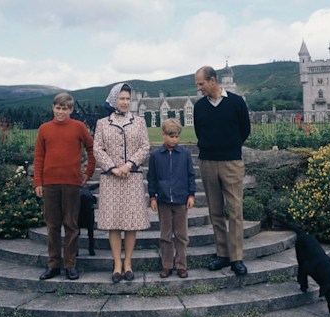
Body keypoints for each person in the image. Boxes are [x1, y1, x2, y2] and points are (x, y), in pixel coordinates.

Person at [193, 65, 251, 276]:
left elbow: (245, 130)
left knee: (235, 210)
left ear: (213, 80)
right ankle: (222, 254)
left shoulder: (236, 102)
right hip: (208, 163)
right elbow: (200, 133)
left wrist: (229, 147)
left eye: (201, 84)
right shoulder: (199, 107)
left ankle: (237, 258)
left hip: (232, 163)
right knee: (215, 211)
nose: (199, 88)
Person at [34, 92, 96, 281]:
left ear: (71, 110)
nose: (61, 112)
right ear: (53, 108)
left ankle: (70, 264)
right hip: (50, 184)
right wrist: (38, 182)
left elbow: (91, 149)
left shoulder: (78, 127)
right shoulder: (44, 129)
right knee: (52, 226)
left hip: (72, 184)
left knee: (71, 225)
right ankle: (53, 264)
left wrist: (88, 172)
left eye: (65, 109)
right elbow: (39, 157)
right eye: (58, 108)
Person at [93, 83, 151, 283]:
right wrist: (113, 168)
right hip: (111, 179)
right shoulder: (102, 123)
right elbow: (97, 149)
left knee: (131, 223)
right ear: (114, 100)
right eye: (122, 98)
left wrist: (128, 165)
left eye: (128, 99)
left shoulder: (139, 122)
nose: (125, 102)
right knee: (114, 224)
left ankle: (128, 263)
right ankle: (117, 264)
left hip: (132, 177)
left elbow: (145, 146)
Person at [147, 119, 196, 279]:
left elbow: (190, 176)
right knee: (165, 235)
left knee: (182, 235)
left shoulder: (184, 155)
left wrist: (191, 195)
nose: (174, 139)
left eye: (177, 136)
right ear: (163, 135)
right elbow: (152, 178)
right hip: (163, 201)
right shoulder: (155, 156)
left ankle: (181, 265)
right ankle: (166, 265)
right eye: (171, 136)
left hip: (181, 200)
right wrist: (152, 197)